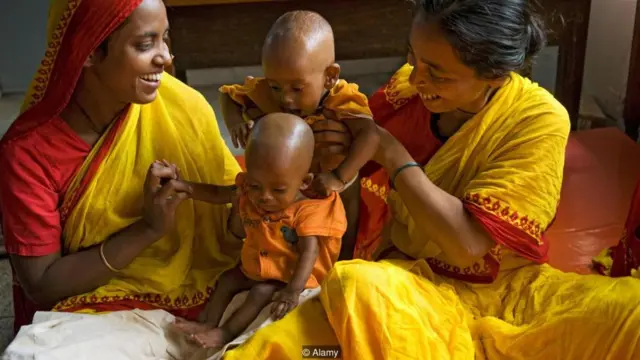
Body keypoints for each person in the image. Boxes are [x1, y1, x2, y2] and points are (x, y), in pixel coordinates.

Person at [221, 1, 640, 359]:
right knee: (347, 296)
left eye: (437, 73)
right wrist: (333, 155)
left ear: (493, 75)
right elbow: (344, 183)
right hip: (408, 283)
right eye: (414, 58)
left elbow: (468, 246)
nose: (417, 78)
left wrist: (390, 153)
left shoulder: (538, 119)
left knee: (630, 316)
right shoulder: (408, 89)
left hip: (511, 292)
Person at [0, 0, 240, 336]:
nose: (166, 57)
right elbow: (42, 284)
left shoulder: (185, 108)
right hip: (94, 309)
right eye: (145, 44)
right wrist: (148, 230)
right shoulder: (28, 153)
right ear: (88, 51)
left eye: (165, 39)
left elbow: (236, 224)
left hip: (211, 292)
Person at [170, 113, 347, 349]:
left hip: (291, 275)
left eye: (278, 189)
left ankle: (225, 333)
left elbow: (309, 254)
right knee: (226, 280)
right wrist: (186, 187)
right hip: (256, 266)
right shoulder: (250, 188)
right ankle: (207, 322)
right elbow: (218, 194)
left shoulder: (309, 211)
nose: (264, 196)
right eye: (255, 186)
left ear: (304, 182)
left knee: (260, 293)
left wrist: (292, 292)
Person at [220, 11, 379, 200]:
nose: (285, 98)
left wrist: (339, 177)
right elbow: (228, 95)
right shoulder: (264, 90)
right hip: (282, 183)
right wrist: (235, 123)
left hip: (332, 180)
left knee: (348, 201)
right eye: (275, 86)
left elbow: (370, 136)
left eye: (297, 88)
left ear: (330, 76)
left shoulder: (343, 99)